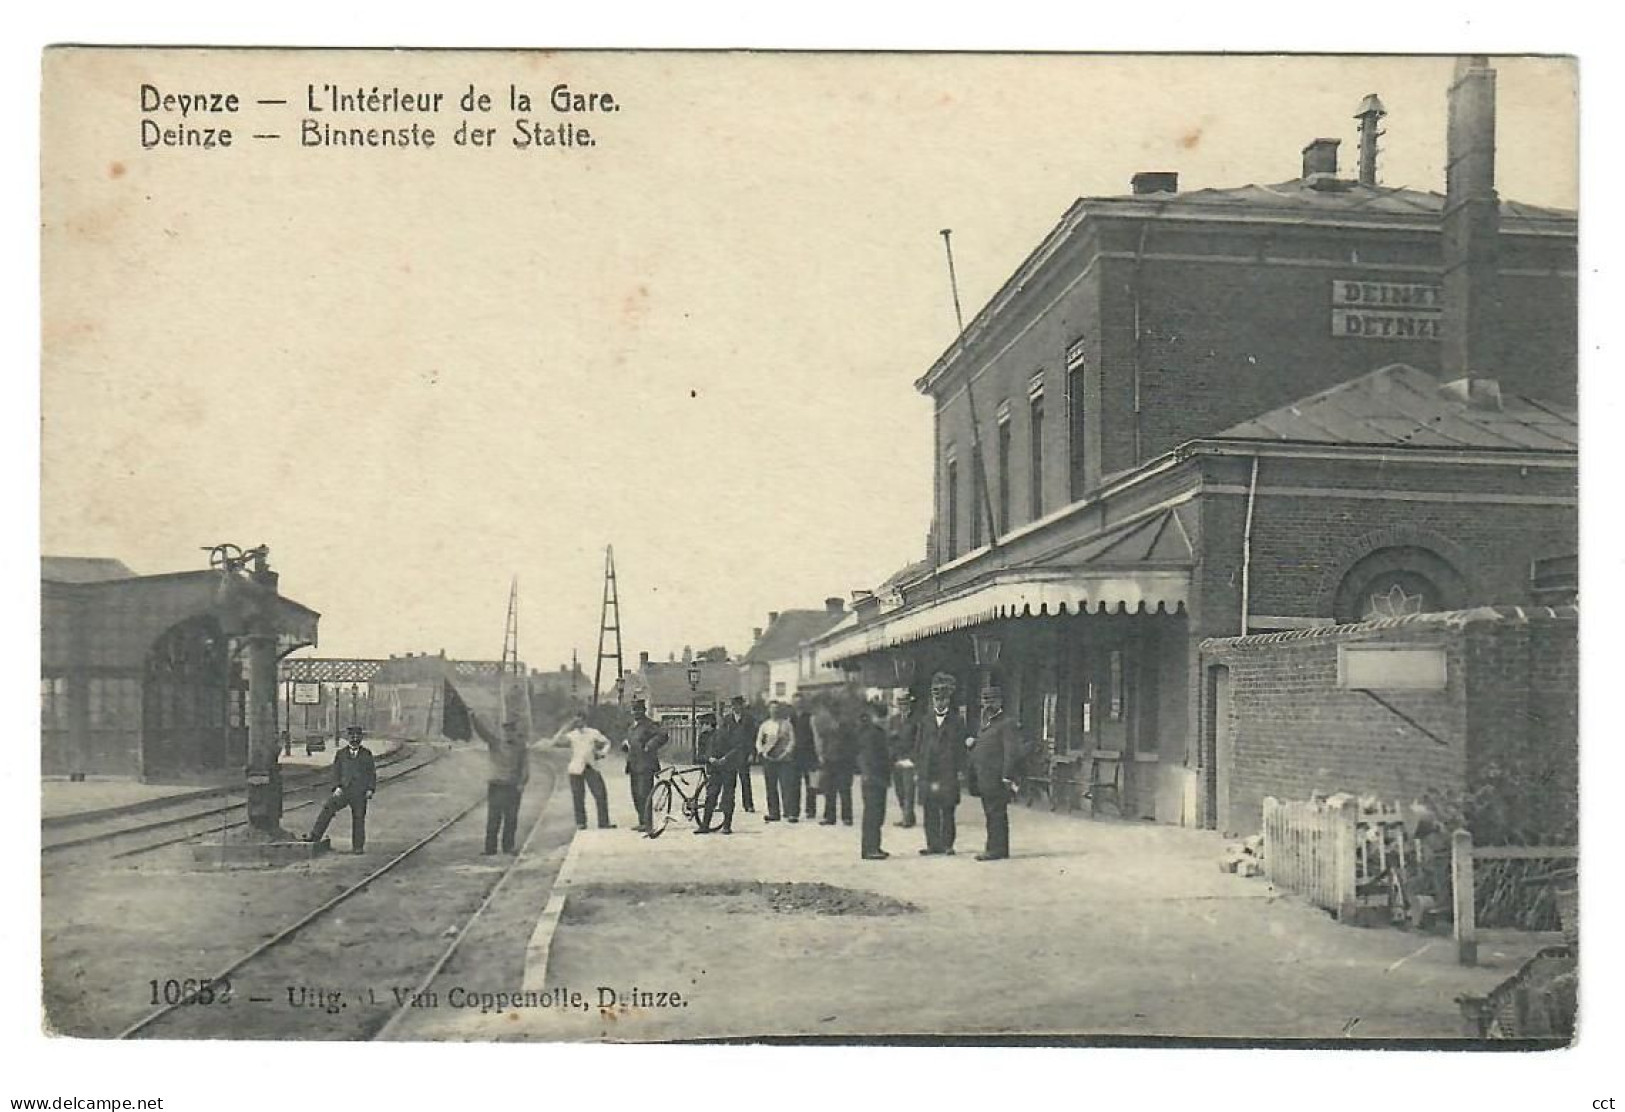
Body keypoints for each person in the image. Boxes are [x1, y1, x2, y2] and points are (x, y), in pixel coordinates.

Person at [913, 672, 969, 855]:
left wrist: (961, 770)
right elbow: (919, 746)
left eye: (943, 700)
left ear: (948, 701)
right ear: (933, 701)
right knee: (930, 808)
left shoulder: (957, 722)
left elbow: (961, 748)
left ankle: (947, 844)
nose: (940, 703)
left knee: (947, 808)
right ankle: (932, 844)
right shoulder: (925, 721)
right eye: (937, 700)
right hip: (929, 771)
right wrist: (918, 768)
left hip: (948, 770)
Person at [968, 682, 1023, 861]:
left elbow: (1011, 752)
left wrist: (1007, 776)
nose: (988, 705)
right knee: (991, 813)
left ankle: (996, 849)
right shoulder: (985, 723)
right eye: (985, 701)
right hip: (985, 777)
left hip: (997, 777)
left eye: (992, 701)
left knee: (996, 813)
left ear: (1000, 702)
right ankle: (996, 848)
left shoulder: (1007, 723)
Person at [306, 725, 376, 853]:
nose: (354, 739)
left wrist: (370, 789)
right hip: (344, 790)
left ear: (361, 738)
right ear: (347, 738)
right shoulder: (341, 754)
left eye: (357, 737)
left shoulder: (366, 754)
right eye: (352, 737)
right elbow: (335, 772)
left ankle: (358, 847)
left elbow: (371, 773)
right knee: (328, 808)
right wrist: (336, 787)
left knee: (359, 818)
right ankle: (315, 836)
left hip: (359, 792)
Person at [552, 710, 616, 831]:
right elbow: (555, 742)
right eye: (576, 720)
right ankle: (581, 822)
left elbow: (607, 742)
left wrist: (602, 753)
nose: (577, 722)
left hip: (591, 766)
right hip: (576, 768)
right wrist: (565, 727)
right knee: (578, 796)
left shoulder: (593, 733)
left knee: (600, 794)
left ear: (584, 720)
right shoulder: (572, 735)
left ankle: (603, 822)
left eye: (580, 720)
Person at [482, 717, 529, 855]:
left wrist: (522, 782)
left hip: (512, 787)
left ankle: (508, 847)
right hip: (496, 785)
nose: (508, 734)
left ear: (515, 732)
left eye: (511, 731)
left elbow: (525, 767)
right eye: (506, 731)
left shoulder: (521, 747)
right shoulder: (495, 744)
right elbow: (483, 732)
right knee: (493, 818)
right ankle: (490, 849)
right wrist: (473, 717)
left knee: (511, 818)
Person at [697, 709, 748, 835]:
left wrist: (725, 759)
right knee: (711, 796)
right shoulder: (702, 738)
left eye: (703, 724)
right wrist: (709, 759)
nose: (701, 727)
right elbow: (699, 755)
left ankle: (726, 825)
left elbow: (737, 748)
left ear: (710, 724)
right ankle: (705, 825)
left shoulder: (725, 734)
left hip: (728, 769)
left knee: (728, 797)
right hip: (714, 770)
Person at [855, 698, 894, 860]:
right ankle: (870, 848)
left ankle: (874, 846)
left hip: (875, 777)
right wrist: (871, 774)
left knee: (876, 814)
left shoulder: (872, 732)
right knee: (873, 814)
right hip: (874, 778)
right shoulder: (873, 733)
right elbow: (869, 757)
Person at [622, 698, 668, 832]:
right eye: (634, 710)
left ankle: (648, 823)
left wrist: (650, 745)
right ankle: (642, 821)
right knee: (636, 794)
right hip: (634, 765)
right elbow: (631, 741)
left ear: (644, 710)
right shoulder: (632, 727)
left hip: (646, 765)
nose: (636, 713)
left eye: (639, 710)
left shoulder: (650, 724)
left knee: (645, 794)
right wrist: (625, 745)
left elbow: (663, 735)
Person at [812, 696, 856, 826]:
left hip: (844, 761)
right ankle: (830, 817)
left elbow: (853, 742)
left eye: (835, 708)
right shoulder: (827, 724)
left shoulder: (847, 723)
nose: (833, 711)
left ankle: (847, 817)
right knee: (829, 790)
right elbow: (823, 740)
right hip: (830, 760)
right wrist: (823, 756)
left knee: (844, 790)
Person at [755, 699, 799, 822]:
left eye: (776, 709)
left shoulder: (787, 724)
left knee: (787, 786)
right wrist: (762, 752)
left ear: (780, 710)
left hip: (784, 760)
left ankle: (790, 813)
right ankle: (774, 813)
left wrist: (786, 753)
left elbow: (792, 741)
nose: (774, 711)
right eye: (772, 709)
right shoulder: (765, 725)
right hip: (769, 759)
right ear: (769, 710)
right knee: (771, 787)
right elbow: (759, 740)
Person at [887, 689, 918, 828]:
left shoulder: (915, 721)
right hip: (897, 757)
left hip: (909, 758)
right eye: (900, 704)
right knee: (899, 789)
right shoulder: (894, 720)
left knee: (908, 790)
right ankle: (906, 814)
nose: (903, 706)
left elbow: (918, 740)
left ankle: (907, 818)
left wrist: (914, 757)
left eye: (905, 704)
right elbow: (888, 739)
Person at [723, 696, 757, 813]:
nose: (736, 707)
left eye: (738, 705)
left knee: (745, 780)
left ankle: (748, 805)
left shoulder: (749, 719)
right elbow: (722, 736)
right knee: (728, 781)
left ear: (742, 706)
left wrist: (752, 753)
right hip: (730, 754)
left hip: (743, 752)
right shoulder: (727, 719)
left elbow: (753, 737)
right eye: (734, 705)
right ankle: (725, 803)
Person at [790, 692, 820, 820]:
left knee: (811, 785)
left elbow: (816, 736)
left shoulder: (810, 717)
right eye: (796, 702)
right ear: (793, 704)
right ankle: (794, 811)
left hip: (809, 754)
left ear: (803, 703)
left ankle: (810, 810)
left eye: (800, 702)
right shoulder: (789, 718)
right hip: (795, 754)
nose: (798, 704)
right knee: (794, 784)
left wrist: (819, 753)